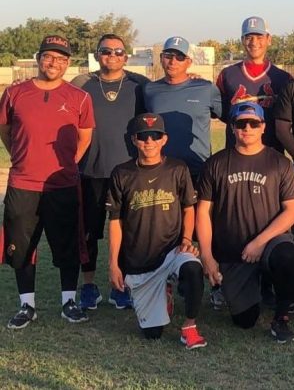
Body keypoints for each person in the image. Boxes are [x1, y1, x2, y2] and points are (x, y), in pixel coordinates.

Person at [2, 35, 95, 329]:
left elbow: (84, 137)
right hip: (23, 183)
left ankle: (68, 302)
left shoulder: (79, 97)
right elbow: (5, 130)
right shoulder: (14, 93)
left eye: (61, 58)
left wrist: (66, 164)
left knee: (67, 245)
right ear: (39, 58)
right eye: (49, 56)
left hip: (62, 185)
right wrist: (23, 157)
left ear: (68, 63)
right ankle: (27, 305)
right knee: (21, 246)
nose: (54, 63)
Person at [196, 103, 294, 343]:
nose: (247, 128)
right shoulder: (216, 163)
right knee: (244, 320)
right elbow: (202, 211)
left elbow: (292, 211)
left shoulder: (279, 162)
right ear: (232, 128)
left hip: (270, 241)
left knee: (287, 255)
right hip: (234, 251)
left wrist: (260, 242)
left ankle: (281, 318)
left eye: (254, 123)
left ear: (263, 127)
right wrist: (207, 255)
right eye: (241, 123)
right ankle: (247, 288)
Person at [106, 113, 206, 349]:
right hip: (139, 260)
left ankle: (189, 327)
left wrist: (186, 239)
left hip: (172, 250)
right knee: (152, 334)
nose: (149, 141)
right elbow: (115, 221)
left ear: (164, 139)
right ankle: (164, 292)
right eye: (143, 136)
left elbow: (188, 208)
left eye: (155, 135)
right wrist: (113, 264)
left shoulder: (177, 168)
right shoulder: (122, 173)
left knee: (193, 268)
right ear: (134, 140)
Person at [70, 33, 149, 309]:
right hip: (91, 170)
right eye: (106, 51)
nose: (112, 56)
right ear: (97, 55)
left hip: (128, 172)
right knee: (89, 233)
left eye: (118, 51)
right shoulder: (82, 84)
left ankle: (121, 285)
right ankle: (89, 286)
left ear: (126, 56)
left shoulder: (140, 86)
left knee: (128, 231)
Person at [144, 36, 222, 180]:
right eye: (168, 56)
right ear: (161, 58)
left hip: (198, 169)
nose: (173, 62)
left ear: (189, 62)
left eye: (180, 57)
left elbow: (224, 115)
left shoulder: (206, 88)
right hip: (161, 170)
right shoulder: (149, 90)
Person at [215, 16, 292, 151]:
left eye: (259, 37)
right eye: (249, 37)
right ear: (242, 40)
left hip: (272, 153)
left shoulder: (284, 78)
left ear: (269, 39)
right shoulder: (227, 74)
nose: (254, 42)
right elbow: (220, 112)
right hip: (236, 152)